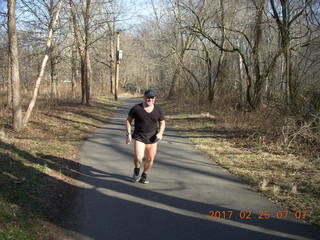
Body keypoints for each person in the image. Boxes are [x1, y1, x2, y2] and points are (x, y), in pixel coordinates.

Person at [125, 89, 165, 184]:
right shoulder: (136, 108)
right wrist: (128, 134)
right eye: (148, 97)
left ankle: (144, 174)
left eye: (152, 98)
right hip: (139, 136)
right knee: (139, 157)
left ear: (155, 99)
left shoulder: (158, 109)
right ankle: (137, 170)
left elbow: (162, 123)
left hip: (152, 138)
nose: (150, 99)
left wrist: (160, 133)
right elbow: (128, 121)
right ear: (144, 97)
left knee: (150, 159)